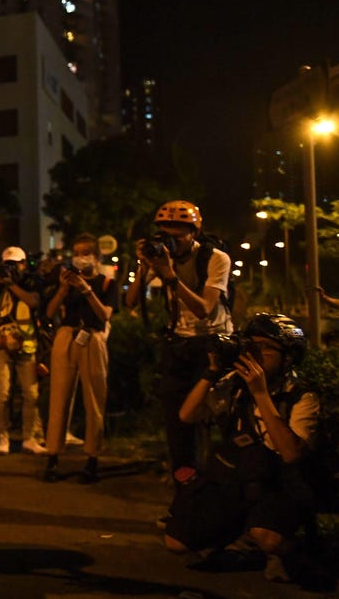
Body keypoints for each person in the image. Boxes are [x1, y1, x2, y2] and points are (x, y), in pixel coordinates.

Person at [163, 314, 317, 583]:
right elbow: (187, 415)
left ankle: (293, 550)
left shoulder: (301, 395)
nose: (255, 353)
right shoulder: (235, 384)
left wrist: (261, 394)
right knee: (175, 542)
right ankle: (239, 538)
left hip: (276, 481)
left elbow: (291, 454)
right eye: (251, 345)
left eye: (265, 348)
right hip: (238, 476)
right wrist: (211, 372)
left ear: (289, 357)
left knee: (267, 537)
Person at [124, 200, 233, 486]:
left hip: (213, 343)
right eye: (164, 233)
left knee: (222, 418)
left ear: (194, 233)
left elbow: (204, 309)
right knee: (177, 423)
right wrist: (144, 264)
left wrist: (170, 276)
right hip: (179, 344)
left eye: (178, 233)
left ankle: (227, 484)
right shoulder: (161, 259)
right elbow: (131, 301)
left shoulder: (216, 258)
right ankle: (186, 491)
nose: (171, 240)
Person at [42, 233, 119, 483]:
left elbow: (105, 315)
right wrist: (64, 290)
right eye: (76, 253)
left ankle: (92, 458)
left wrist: (87, 291)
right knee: (59, 397)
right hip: (66, 336)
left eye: (86, 252)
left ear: (97, 256)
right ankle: (53, 456)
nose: (80, 258)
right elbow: (50, 312)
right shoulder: (66, 281)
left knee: (95, 399)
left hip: (93, 338)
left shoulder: (107, 283)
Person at [0, 245, 46, 455]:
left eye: (15, 264)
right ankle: (3, 437)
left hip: (28, 345)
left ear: (24, 264)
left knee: (31, 395)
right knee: (3, 395)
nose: (12, 268)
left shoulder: (31, 281)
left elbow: (33, 301)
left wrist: (12, 285)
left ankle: (29, 438)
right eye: (7, 264)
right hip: (1, 346)